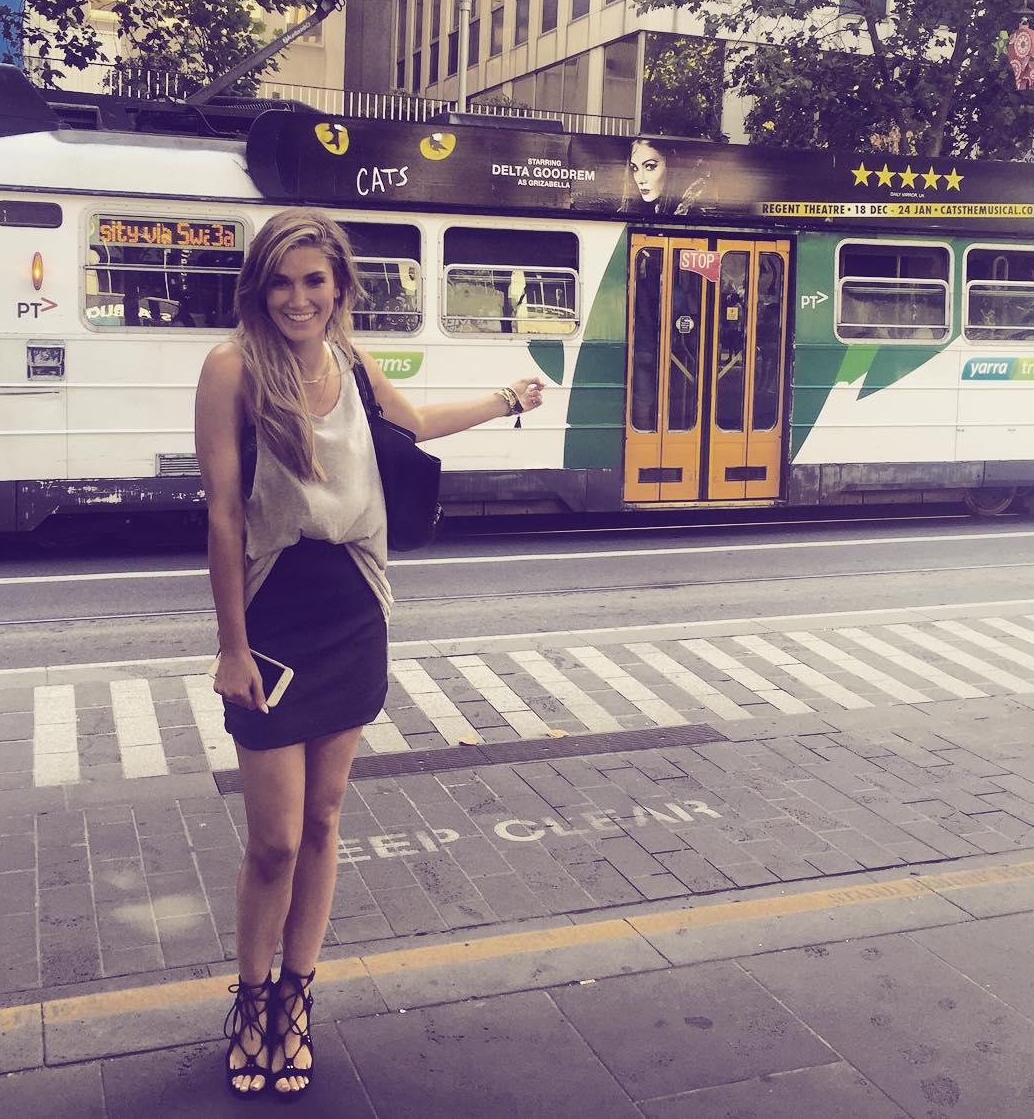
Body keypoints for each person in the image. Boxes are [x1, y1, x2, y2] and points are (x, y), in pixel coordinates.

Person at [195, 207, 544, 1100]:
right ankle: (250, 1000)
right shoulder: (232, 367)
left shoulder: (349, 361)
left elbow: (415, 423)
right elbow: (225, 516)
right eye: (282, 281)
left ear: (340, 287)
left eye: (314, 281)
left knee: (322, 821)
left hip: (353, 607)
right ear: (258, 288)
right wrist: (232, 646)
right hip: (274, 615)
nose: (298, 298)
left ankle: (295, 1003)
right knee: (274, 841)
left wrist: (507, 400)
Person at [619, 136, 712, 216]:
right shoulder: (629, 212)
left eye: (650, 166)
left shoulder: (695, 209)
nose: (640, 179)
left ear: (671, 164)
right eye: (635, 168)